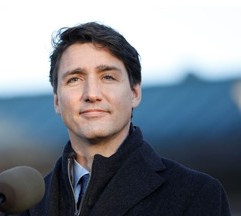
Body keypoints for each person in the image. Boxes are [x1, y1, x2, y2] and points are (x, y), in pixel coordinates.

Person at [16, 22, 231, 215]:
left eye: (108, 77)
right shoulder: (22, 206)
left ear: (134, 93)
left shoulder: (195, 193)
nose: (91, 94)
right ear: (56, 101)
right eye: (74, 79)